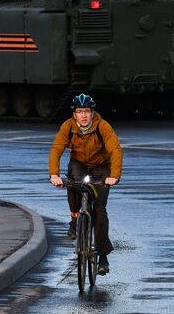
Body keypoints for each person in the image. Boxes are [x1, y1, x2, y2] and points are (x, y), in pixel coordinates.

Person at [49, 93, 122, 275]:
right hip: (79, 164)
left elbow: (115, 149)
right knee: (73, 182)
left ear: (92, 112)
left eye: (87, 112)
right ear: (74, 114)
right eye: (79, 112)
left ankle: (103, 257)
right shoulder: (69, 126)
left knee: (99, 210)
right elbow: (57, 149)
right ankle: (75, 219)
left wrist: (114, 176)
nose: (83, 115)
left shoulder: (102, 126)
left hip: (100, 167)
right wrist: (54, 175)